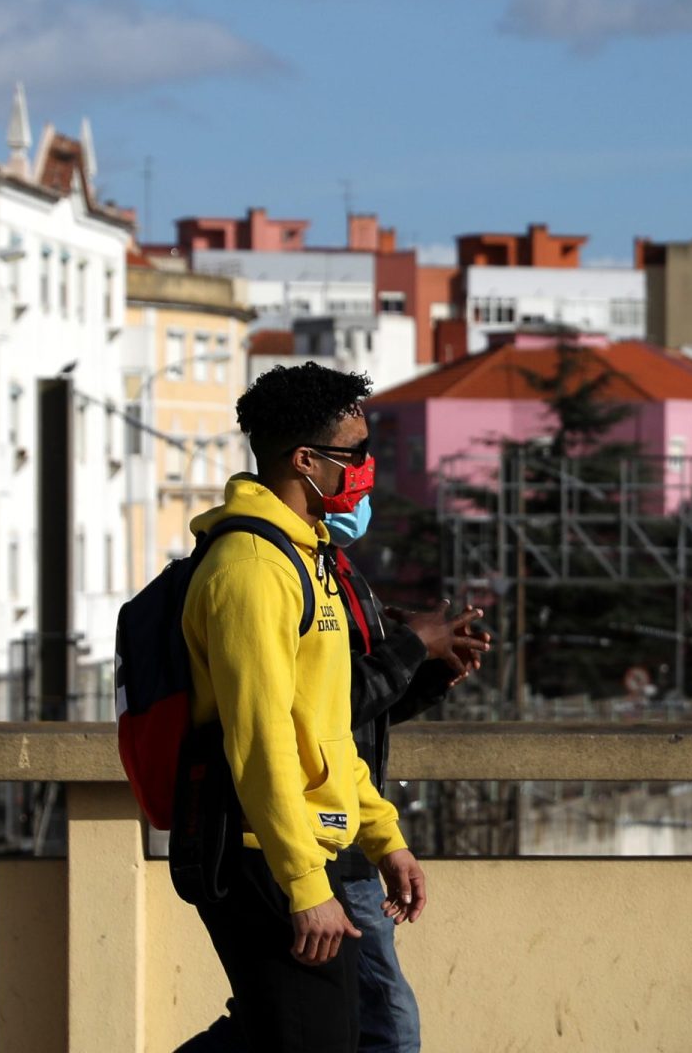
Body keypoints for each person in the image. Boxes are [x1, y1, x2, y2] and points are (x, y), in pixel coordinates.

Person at [176, 363, 430, 1053]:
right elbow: (260, 743)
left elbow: (322, 729)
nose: (368, 468)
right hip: (260, 855)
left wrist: (385, 837)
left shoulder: (305, 557)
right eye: (355, 454)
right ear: (305, 461)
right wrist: (303, 884)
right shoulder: (250, 570)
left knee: (293, 1036)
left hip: (311, 847)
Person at [326, 494, 489, 1053]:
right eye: (354, 455)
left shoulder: (340, 571)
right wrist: (413, 644)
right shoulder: (285, 572)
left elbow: (355, 717)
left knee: (296, 1023)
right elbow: (319, 714)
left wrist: (429, 672)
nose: (363, 478)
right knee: (389, 1029)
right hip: (320, 841)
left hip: (349, 831)